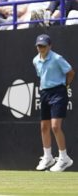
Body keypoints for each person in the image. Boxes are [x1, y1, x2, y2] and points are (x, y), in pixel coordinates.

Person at [33, 34, 75, 172]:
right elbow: (41, 76)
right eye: (39, 46)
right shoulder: (35, 60)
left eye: (44, 46)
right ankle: (48, 157)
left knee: (55, 127)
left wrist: (65, 86)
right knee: (44, 127)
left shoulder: (57, 58)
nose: (41, 48)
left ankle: (64, 158)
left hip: (58, 92)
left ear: (50, 46)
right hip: (44, 93)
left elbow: (70, 72)